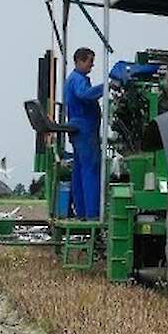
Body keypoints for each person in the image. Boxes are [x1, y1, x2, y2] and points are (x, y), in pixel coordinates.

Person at [64, 47, 104, 219]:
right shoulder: (78, 80)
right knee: (91, 170)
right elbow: (84, 94)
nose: (92, 65)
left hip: (78, 129)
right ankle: (92, 214)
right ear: (79, 61)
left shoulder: (71, 79)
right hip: (85, 130)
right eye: (89, 61)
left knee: (79, 171)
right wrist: (106, 87)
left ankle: (81, 212)